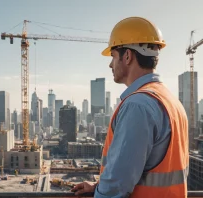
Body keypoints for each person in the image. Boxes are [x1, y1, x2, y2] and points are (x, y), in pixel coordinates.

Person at [71, 17, 189, 197]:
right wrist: (99, 185)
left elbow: (116, 186)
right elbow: (149, 169)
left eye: (113, 56)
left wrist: (103, 190)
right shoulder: (170, 101)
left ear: (127, 56)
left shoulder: (138, 106)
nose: (110, 64)